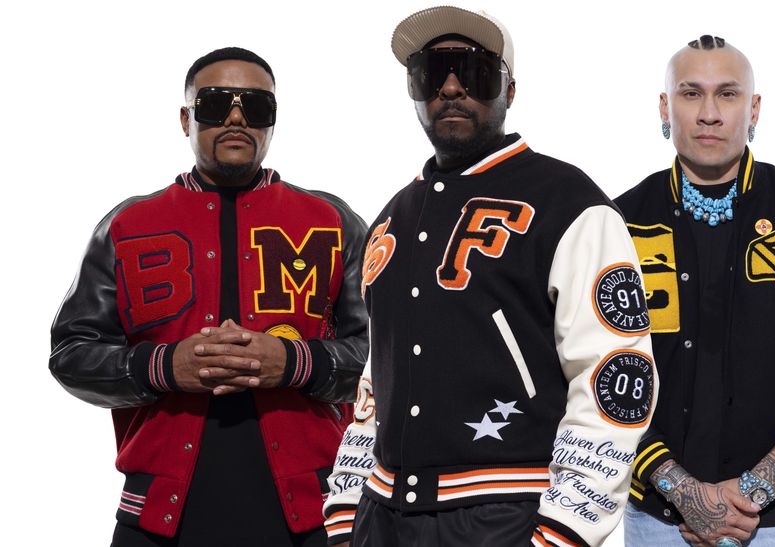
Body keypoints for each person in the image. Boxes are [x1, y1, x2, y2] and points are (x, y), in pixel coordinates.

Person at [322, 6, 658, 547]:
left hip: (506, 515)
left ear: (510, 90)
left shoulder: (569, 203)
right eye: (432, 73)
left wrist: (567, 529)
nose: (451, 88)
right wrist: (345, 512)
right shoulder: (391, 218)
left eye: (475, 72)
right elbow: (375, 378)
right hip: (381, 517)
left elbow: (615, 375)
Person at [49, 47, 368, 547]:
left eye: (255, 106)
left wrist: (295, 363)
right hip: (157, 519)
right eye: (216, 104)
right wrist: (161, 367)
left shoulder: (334, 222)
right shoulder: (127, 225)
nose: (237, 118)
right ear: (186, 119)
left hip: (310, 516)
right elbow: (70, 353)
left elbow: (388, 356)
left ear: (273, 121)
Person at [614, 35, 775, 547]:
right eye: (691, 93)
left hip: (770, 521)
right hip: (654, 519)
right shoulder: (618, 223)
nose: (709, 114)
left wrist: (755, 489)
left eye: (727, 94)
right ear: (665, 107)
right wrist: (680, 488)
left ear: (753, 109)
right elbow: (597, 370)